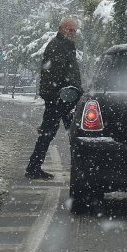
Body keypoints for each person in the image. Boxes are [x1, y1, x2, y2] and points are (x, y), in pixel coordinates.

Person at [25, 18, 82, 180]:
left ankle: (34, 166)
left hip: (65, 97)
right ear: (61, 29)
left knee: (65, 133)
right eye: (69, 30)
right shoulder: (58, 46)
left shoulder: (66, 46)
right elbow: (55, 75)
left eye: (74, 30)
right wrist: (62, 94)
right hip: (60, 98)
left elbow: (67, 73)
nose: (72, 33)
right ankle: (34, 167)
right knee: (67, 133)